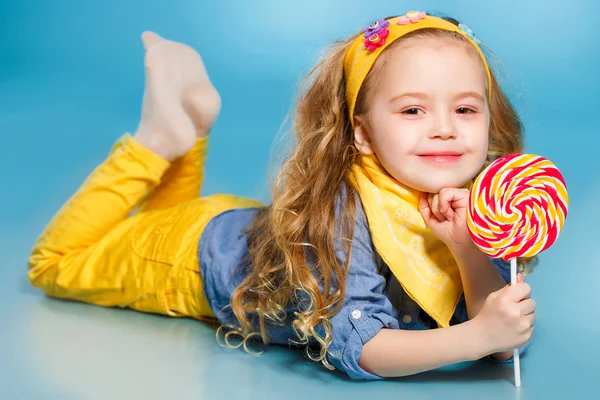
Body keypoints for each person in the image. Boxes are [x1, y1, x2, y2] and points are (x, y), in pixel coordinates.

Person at [28, 11, 536, 380]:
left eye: (465, 110)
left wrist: (467, 249)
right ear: (361, 134)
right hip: (184, 259)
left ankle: (191, 129)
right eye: (412, 111)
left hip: (245, 231)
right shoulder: (346, 210)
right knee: (55, 264)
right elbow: (363, 348)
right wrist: (478, 338)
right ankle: (157, 144)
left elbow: (495, 331)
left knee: (156, 219)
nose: (445, 129)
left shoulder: (473, 201)